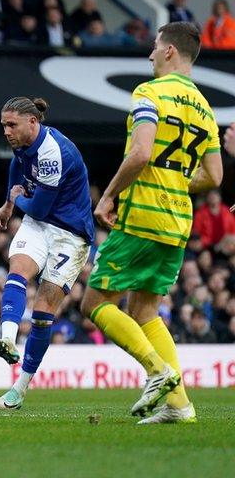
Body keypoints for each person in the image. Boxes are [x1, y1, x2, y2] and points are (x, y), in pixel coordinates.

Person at [81, 22, 222, 424]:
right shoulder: (205, 108)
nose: (149, 55)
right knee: (146, 310)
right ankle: (180, 406)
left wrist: (108, 195)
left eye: (154, 48)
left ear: (170, 52)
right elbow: (213, 176)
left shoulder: (149, 93)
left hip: (142, 214)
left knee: (94, 303)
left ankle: (157, 370)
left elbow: (140, 153)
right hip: (178, 221)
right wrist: (177, 182)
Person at [0, 97, 95, 410]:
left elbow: (37, 206)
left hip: (70, 235)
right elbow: (16, 163)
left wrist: (17, 202)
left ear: (32, 122)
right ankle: (7, 338)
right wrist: (9, 203)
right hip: (39, 225)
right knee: (17, 269)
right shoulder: (23, 142)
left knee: (43, 308)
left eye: (12, 125)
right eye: (3, 125)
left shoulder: (53, 153)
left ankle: (19, 389)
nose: (6, 131)